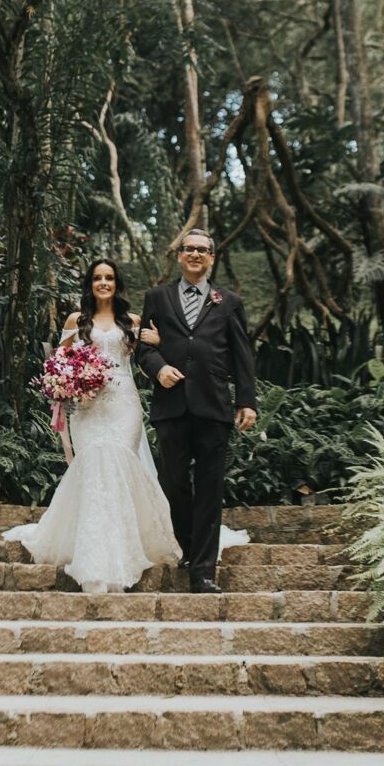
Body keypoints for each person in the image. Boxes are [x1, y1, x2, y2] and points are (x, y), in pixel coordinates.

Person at [3, 257, 181, 593]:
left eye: (109, 278)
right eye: (98, 278)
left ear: (116, 284)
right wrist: (71, 381)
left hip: (123, 404)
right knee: (94, 469)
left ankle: (125, 549)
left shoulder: (132, 321)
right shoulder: (76, 320)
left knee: (118, 466)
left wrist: (158, 344)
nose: (104, 283)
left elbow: (147, 361)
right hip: (88, 407)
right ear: (90, 283)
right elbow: (57, 362)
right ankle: (94, 551)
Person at [138, 229, 257, 594]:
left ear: (211, 258)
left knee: (209, 487)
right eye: (188, 249)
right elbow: (143, 345)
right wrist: (158, 367)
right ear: (178, 256)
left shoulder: (229, 302)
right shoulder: (157, 297)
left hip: (213, 406)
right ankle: (189, 546)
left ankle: (203, 570)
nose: (194, 255)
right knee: (172, 483)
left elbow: (242, 354)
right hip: (171, 406)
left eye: (201, 250)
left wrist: (247, 401)